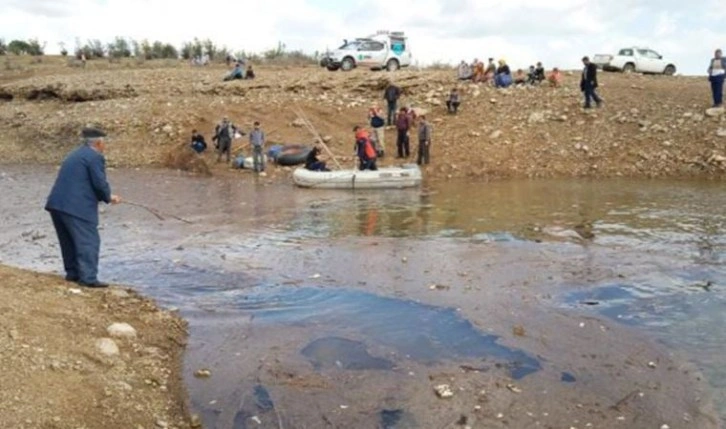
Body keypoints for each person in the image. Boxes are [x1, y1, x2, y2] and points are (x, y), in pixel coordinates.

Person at [45, 127, 122, 288]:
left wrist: (106, 195)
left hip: (57, 204)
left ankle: (73, 274)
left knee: (69, 241)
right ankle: (88, 278)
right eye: (104, 143)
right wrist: (108, 197)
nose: (105, 146)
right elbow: (99, 183)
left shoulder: (75, 154)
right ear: (99, 143)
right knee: (88, 241)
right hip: (77, 207)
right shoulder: (95, 157)